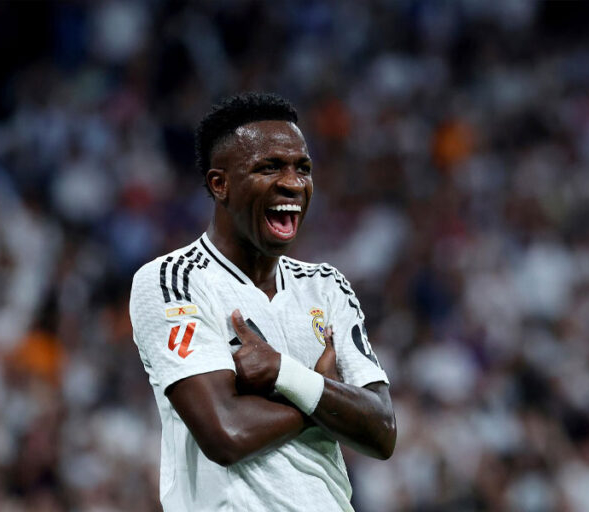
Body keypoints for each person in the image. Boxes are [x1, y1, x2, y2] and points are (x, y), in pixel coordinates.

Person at [128, 92, 395, 511]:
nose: (293, 183)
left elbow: (381, 429)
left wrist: (284, 374)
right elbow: (226, 434)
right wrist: (324, 394)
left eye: (302, 168)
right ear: (220, 184)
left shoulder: (326, 286)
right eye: (269, 167)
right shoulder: (173, 280)